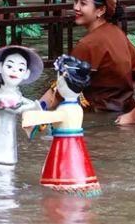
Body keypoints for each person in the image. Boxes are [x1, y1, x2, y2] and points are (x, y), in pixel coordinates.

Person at [39, 0, 135, 113]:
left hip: (97, 118)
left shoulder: (88, 44)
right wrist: (120, 95)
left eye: (83, 3)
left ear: (101, 10)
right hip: (126, 112)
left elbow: (61, 90)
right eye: (76, 1)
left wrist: (35, 111)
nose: (76, 7)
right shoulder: (117, 33)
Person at [22, 55, 101, 196]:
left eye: (59, 80)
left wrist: (29, 115)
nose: (56, 84)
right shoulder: (77, 108)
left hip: (65, 148)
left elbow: (50, 117)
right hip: (76, 147)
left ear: (63, 83)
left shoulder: (65, 109)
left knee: (59, 176)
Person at [0, 45, 42, 166]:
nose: (14, 71)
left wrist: (23, 107)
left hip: (9, 139)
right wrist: (3, 98)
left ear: (26, 74)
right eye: (9, 66)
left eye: (20, 69)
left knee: (8, 166)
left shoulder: (19, 97)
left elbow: (33, 105)